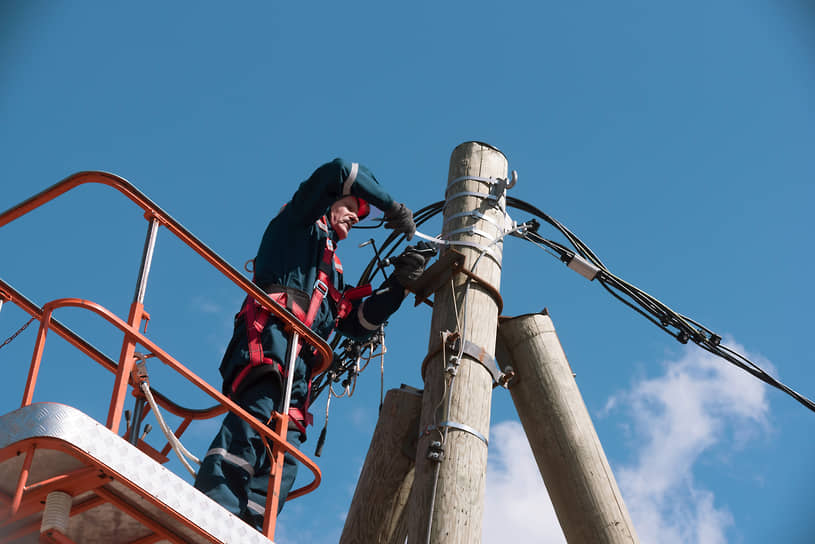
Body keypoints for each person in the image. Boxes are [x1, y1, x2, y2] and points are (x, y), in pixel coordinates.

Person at [194, 158, 426, 531]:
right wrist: (390, 204)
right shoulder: (295, 228)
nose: (354, 216)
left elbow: (358, 322)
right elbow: (338, 169)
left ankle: (251, 526)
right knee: (255, 423)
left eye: (359, 212)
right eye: (350, 206)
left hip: (297, 371)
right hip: (268, 347)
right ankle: (213, 501)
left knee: (286, 455)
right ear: (330, 202)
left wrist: (399, 285)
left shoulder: (330, 276)